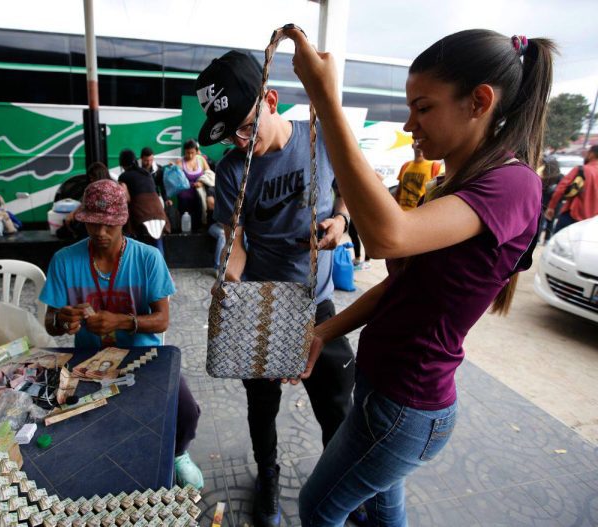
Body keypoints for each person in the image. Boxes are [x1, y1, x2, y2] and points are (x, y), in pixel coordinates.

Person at [287, 28, 551, 525]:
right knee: (383, 512)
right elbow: (402, 286)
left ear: (479, 101)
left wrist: (325, 98)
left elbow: (388, 236)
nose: (410, 125)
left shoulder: (514, 185)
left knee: (318, 508)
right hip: (385, 393)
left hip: (406, 407)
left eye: (423, 107)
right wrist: (324, 331)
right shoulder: (457, 183)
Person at [196, 50, 356, 527]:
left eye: (247, 127)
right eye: (232, 135)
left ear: (271, 99)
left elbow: (350, 186)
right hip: (263, 307)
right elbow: (237, 241)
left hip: (317, 303)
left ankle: (340, 487)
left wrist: (342, 221)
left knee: (337, 409)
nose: (242, 142)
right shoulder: (231, 172)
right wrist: (231, 281)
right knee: (260, 407)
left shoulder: (322, 138)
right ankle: (267, 476)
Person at [39, 179, 204, 489]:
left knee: (187, 412)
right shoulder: (64, 260)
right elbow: (50, 322)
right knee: (82, 426)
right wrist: (62, 320)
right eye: (92, 224)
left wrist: (122, 322)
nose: (100, 233)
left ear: (123, 221)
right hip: (88, 362)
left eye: (108, 225)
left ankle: (178, 452)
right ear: (83, 220)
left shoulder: (147, 258)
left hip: (145, 358)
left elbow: (162, 320)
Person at [117, 149, 170, 254]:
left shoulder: (124, 177)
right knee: (157, 241)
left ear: (122, 164)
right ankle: (160, 268)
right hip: (159, 212)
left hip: (142, 214)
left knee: (138, 242)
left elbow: (126, 198)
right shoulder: (145, 173)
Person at [545, 144, 598, 233]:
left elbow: (560, 190)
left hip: (572, 216)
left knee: (559, 244)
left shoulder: (582, 170)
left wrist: (551, 207)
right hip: (592, 222)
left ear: (591, 154)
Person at [394, 142, 443, 210]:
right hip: (402, 212)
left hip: (420, 213)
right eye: (417, 142)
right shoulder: (406, 165)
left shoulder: (435, 167)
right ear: (412, 145)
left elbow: (438, 194)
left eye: (422, 142)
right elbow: (399, 190)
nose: (419, 146)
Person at [175, 139, 211, 231]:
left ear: (196, 151)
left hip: (199, 194)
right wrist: (174, 169)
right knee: (185, 219)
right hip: (184, 196)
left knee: (199, 217)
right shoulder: (180, 162)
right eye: (187, 153)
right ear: (184, 151)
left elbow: (209, 174)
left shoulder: (201, 159)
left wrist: (201, 182)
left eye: (192, 152)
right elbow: (176, 179)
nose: (190, 155)